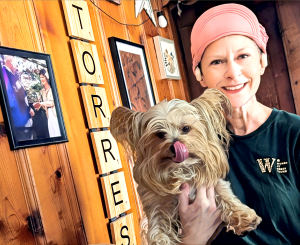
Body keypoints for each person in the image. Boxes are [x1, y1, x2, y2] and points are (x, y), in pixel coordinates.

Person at [178, 3, 300, 245]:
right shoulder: (190, 145)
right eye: (217, 62)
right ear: (199, 74)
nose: (233, 72)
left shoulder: (293, 135)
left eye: (243, 56)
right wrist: (191, 238)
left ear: (262, 61)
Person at [33, 69, 61, 137]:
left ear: (47, 77)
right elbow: (43, 105)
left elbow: (52, 103)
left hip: (55, 114)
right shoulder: (42, 91)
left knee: (58, 132)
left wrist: (41, 103)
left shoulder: (52, 88)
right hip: (48, 115)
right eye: (40, 78)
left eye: (43, 77)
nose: (41, 79)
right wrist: (37, 106)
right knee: (52, 134)